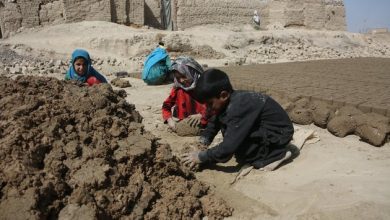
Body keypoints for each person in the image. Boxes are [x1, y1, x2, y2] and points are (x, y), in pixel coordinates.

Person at [181, 68, 294, 170]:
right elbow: (214, 123)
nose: (208, 108)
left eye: (210, 104)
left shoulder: (238, 107)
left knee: (245, 151)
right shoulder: (226, 102)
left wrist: (202, 157)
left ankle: (277, 155)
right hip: (265, 126)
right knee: (228, 127)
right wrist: (202, 142)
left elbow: (228, 149)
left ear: (224, 95)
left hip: (280, 134)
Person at [162, 56, 209, 131]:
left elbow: (216, 108)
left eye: (184, 76)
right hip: (185, 126)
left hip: (206, 125)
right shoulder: (178, 89)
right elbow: (166, 106)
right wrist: (170, 120)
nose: (181, 80)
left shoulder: (206, 87)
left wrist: (201, 115)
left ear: (192, 73)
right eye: (178, 78)